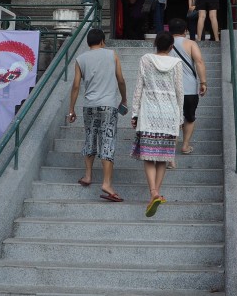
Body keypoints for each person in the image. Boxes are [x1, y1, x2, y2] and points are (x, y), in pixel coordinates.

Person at [67, 27, 128, 202]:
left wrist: (71, 109)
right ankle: (107, 183)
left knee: (90, 137)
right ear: (102, 41)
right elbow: (121, 79)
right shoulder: (111, 55)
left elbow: (76, 86)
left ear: (88, 42)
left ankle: (88, 175)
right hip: (108, 106)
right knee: (107, 141)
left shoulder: (80, 59)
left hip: (89, 106)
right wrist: (124, 99)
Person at [130, 31, 184, 217]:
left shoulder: (146, 59)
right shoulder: (177, 63)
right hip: (169, 115)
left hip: (149, 113)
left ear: (155, 44)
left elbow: (139, 87)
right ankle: (157, 193)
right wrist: (180, 118)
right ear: (171, 47)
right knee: (163, 157)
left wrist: (135, 112)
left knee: (148, 157)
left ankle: (153, 192)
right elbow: (179, 92)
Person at [169, 18, 207, 155]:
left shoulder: (164, 43)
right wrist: (203, 82)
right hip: (190, 88)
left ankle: (170, 150)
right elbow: (199, 62)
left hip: (171, 89)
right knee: (189, 117)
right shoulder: (190, 43)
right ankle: (185, 145)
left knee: (173, 119)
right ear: (185, 31)